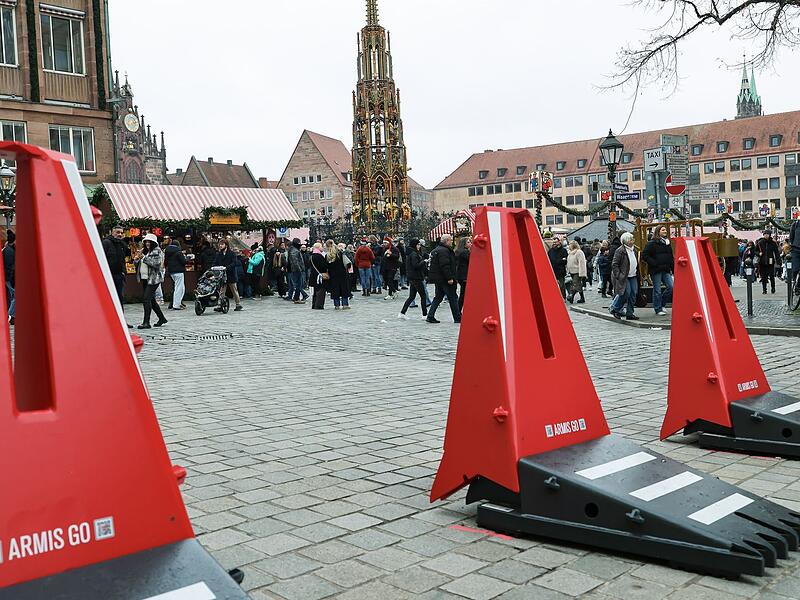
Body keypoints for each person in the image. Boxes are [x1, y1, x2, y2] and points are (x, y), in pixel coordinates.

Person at [134, 233, 168, 329]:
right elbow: (139, 263)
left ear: (154, 243)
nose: (147, 243)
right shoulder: (146, 251)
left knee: (146, 299)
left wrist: (143, 257)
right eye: (146, 242)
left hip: (153, 279)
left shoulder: (157, 251)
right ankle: (162, 318)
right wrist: (136, 259)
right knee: (152, 301)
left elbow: (156, 264)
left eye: (149, 242)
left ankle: (146, 322)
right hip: (145, 278)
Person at [426, 234, 461, 324]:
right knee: (453, 297)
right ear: (447, 241)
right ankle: (457, 317)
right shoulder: (445, 251)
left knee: (438, 297)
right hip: (445, 278)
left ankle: (430, 315)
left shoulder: (436, 250)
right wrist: (449, 278)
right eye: (450, 240)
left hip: (438, 278)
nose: (451, 242)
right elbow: (445, 266)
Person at [102, 225, 132, 327]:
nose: (119, 234)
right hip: (108, 276)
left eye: (121, 233)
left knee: (120, 298)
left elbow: (125, 258)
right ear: (112, 232)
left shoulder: (121, 244)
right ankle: (108, 321)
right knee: (108, 298)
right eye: (117, 232)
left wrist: (124, 272)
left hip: (119, 275)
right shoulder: (106, 243)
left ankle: (121, 321)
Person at [641, 225, 674, 316]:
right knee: (657, 290)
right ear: (658, 231)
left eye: (665, 230)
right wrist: (654, 263)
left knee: (671, 287)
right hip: (656, 270)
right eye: (663, 230)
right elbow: (645, 255)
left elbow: (670, 257)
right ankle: (657, 308)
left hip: (666, 269)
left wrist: (673, 268)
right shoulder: (651, 243)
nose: (665, 231)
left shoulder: (667, 243)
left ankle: (662, 304)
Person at [609, 232, 639, 321]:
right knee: (626, 293)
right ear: (625, 241)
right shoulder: (620, 250)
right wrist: (619, 275)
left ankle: (630, 313)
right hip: (624, 276)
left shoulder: (634, 250)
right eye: (630, 239)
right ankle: (615, 309)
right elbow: (615, 264)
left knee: (633, 294)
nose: (632, 241)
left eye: (632, 239)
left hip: (633, 275)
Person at [398, 239, 428, 320]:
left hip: (413, 277)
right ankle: (425, 315)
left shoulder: (411, 253)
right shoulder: (414, 254)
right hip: (416, 277)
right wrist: (424, 261)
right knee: (423, 295)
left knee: (412, 296)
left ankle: (402, 313)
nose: (419, 246)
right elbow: (416, 265)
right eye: (418, 244)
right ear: (415, 245)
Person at [214, 239, 243, 311]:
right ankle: (220, 304)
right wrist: (213, 267)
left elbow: (234, 263)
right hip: (222, 275)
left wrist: (227, 267)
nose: (220, 246)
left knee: (234, 290)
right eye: (219, 244)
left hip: (231, 274)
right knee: (222, 291)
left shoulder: (232, 253)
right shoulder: (218, 254)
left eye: (222, 244)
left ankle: (238, 304)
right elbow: (215, 262)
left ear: (226, 245)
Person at [325, 240, 350, 309]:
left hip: (333, 275)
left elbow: (326, 266)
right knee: (344, 289)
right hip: (342, 274)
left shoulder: (327, 255)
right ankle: (345, 304)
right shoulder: (340, 253)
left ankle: (337, 305)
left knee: (335, 290)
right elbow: (348, 263)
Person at [164, 237, 187, 310]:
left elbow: (165, 262)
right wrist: (187, 258)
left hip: (171, 271)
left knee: (179, 287)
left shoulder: (167, 252)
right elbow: (183, 261)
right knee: (179, 288)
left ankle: (178, 303)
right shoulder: (178, 252)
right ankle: (176, 305)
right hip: (179, 271)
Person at [755, 230, 781, 294]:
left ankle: (773, 288)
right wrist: (759, 254)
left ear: (769, 235)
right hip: (762, 262)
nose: (766, 235)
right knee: (764, 277)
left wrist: (778, 261)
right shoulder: (760, 242)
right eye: (765, 234)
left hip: (770, 261)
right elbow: (755, 251)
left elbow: (776, 252)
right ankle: (764, 290)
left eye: (767, 234)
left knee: (772, 276)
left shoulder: (773, 243)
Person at [287, 238, 308, 304]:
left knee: (298, 284)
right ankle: (296, 298)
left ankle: (296, 297)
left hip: (294, 269)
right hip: (296, 270)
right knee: (298, 284)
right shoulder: (294, 250)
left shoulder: (293, 249)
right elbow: (295, 261)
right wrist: (299, 269)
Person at [455, 236, 472, 311]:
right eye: (468, 242)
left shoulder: (460, 252)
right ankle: (459, 310)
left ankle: (459, 309)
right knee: (463, 294)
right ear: (464, 244)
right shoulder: (465, 252)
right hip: (464, 275)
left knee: (463, 293)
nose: (470, 243)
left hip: (461, 275)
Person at [310, 242, 329, 310]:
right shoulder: (319, 256)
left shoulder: (312, 255)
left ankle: (314, 304)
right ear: (318, 247)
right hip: (320, 276)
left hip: (314, 275)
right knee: (321, 290)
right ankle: (319, 305)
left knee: (315, 291)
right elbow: (323, 266)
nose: (322, 248)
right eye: (321, 246)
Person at [3, 230, 15, 326]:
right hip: (9, 278)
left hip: (9, 278)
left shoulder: (8, 249)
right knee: (14, 297)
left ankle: (11, 316)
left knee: (12, 297)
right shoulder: (9, 251)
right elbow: (9, 267)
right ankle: (10, 315)